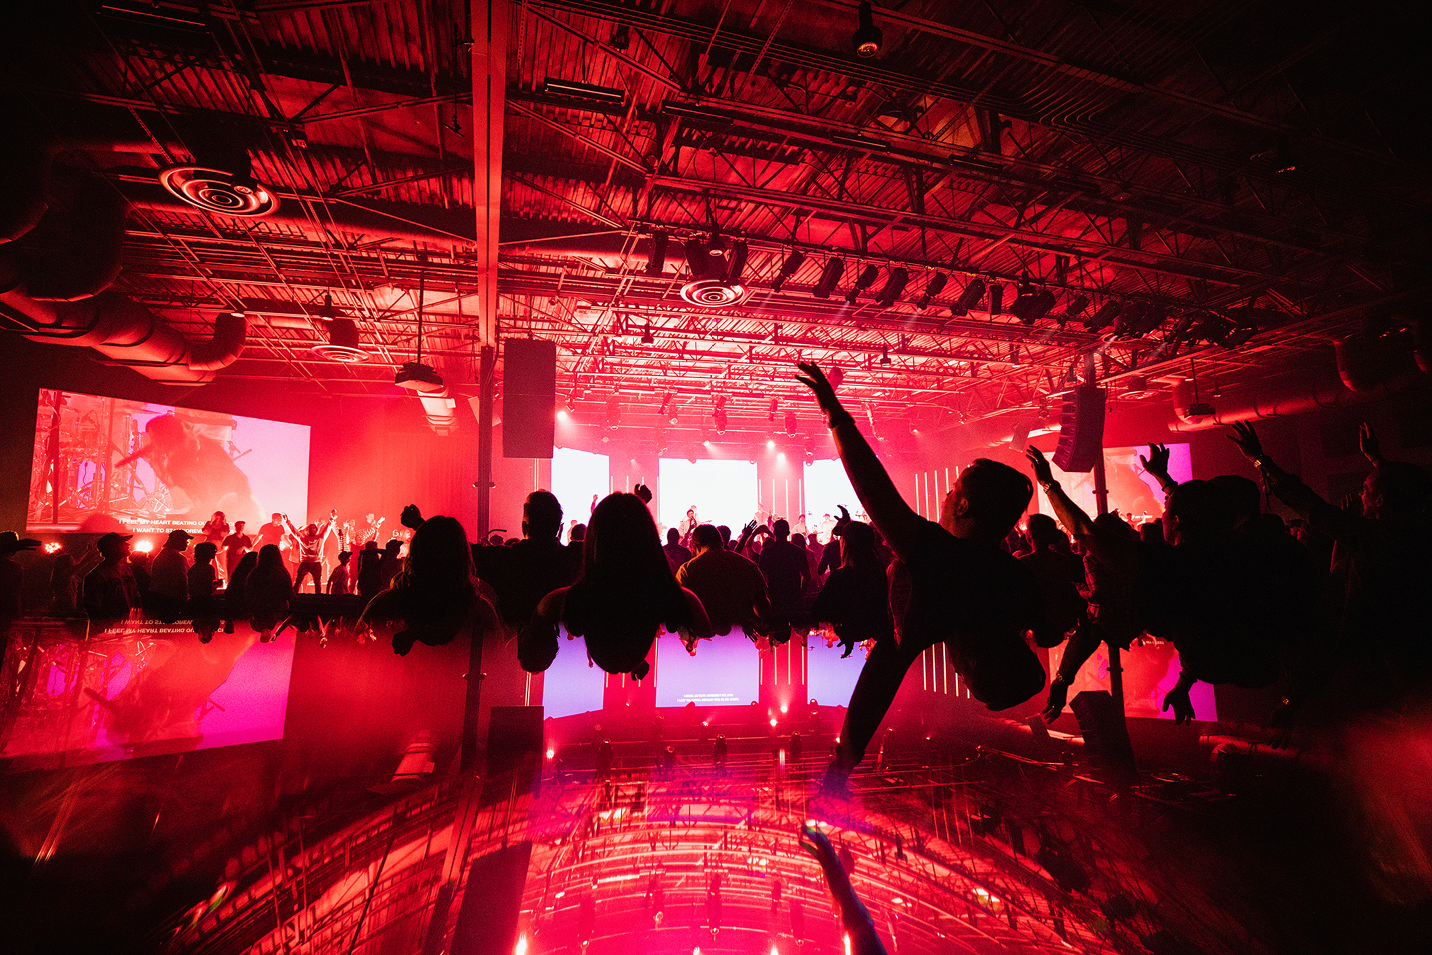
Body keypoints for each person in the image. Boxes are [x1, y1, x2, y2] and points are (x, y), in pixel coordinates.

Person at [796, 362, 1048, 792]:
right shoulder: (954, 577)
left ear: (963, 507)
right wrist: (842, 765)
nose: (946, 497)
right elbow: (879, 683)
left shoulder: (1002, 580)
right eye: (964, 677)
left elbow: (875, 491)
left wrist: (836, 414)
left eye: (952, 491)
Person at [520, 493, 712, 678]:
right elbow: (708, 634)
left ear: (595, 540)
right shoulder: (684, 600)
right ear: (650, 540)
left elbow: (532, 659)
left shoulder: (554, 603)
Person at [360, 515, 499, 656]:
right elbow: (496, 658)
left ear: (415, 553)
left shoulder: (383, 605)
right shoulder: (480, 612)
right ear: (463, 557)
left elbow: (359, 651)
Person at [476, 490, 579, 630]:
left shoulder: (504, 560)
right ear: (559, 527)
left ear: (524, 526)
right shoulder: (574, 559)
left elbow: (462, 549)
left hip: (515, 641)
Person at [675, 524, 771, 647]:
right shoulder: (749, 566)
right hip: (740, 643)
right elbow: (762, 609)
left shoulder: (687, 570)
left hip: (704, 644)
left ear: (695, 546)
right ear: (721, 542)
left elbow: (678, 611)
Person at [810, 521, 894, 658]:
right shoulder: (880, 574)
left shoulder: (839, 577)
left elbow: (818, 612)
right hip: (879, 636)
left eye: (842, 539)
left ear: (846, 545)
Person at [758, 519, 812, 642]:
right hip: (793, 596)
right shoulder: (797, 551)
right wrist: (801, 594)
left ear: (774, 532)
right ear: (788, 532)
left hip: (774, 597)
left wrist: (765, 595)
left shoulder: (767, 552)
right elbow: (807, 575)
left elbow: (760, 576)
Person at [83, 531, 140, 622]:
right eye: (123, 543)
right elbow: (93, 609)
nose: (128, 545)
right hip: (109, 627)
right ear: (112, 548)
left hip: (126, 624)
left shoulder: (127, 569)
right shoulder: (96, 576)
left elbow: (136, 597)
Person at [245, 544, 293, 640]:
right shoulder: (281, 572)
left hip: (259, 609)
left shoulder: (254, 573)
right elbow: (289, 595)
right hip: (276, 608)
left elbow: (247, 593)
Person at [284, 510, 336, 594]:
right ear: (307, 530)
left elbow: (294, 531)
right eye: (310, 528)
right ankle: (315, 598)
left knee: (303, 582)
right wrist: (331, 519)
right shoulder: (318, 538)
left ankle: (294, 597)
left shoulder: (310, 538)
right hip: (311, 563)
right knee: (310, 583)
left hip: (308, 563)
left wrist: (287, 521)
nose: (312, 529)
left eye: (313, 528)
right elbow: (327, 528)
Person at [147, 529, 192, 622]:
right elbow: (183, 580)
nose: (187, 543)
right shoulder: (177, 558)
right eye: (185, 540)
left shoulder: (162, 555)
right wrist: (186, 599)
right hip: (173, 600)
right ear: (178, 541)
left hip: (160, 598)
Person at [188, 541, 221, 641]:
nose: (215, 553)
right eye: (213, 551)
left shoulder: (194, 568)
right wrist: (217, 584)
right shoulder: (208, 568)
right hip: (206, 602)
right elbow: (208, 589)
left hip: (195, 602)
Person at [223, 550, 258, 634]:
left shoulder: (237, 576)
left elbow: (228, 593)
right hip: (249, 613)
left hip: (237, 611)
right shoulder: (256, 577)